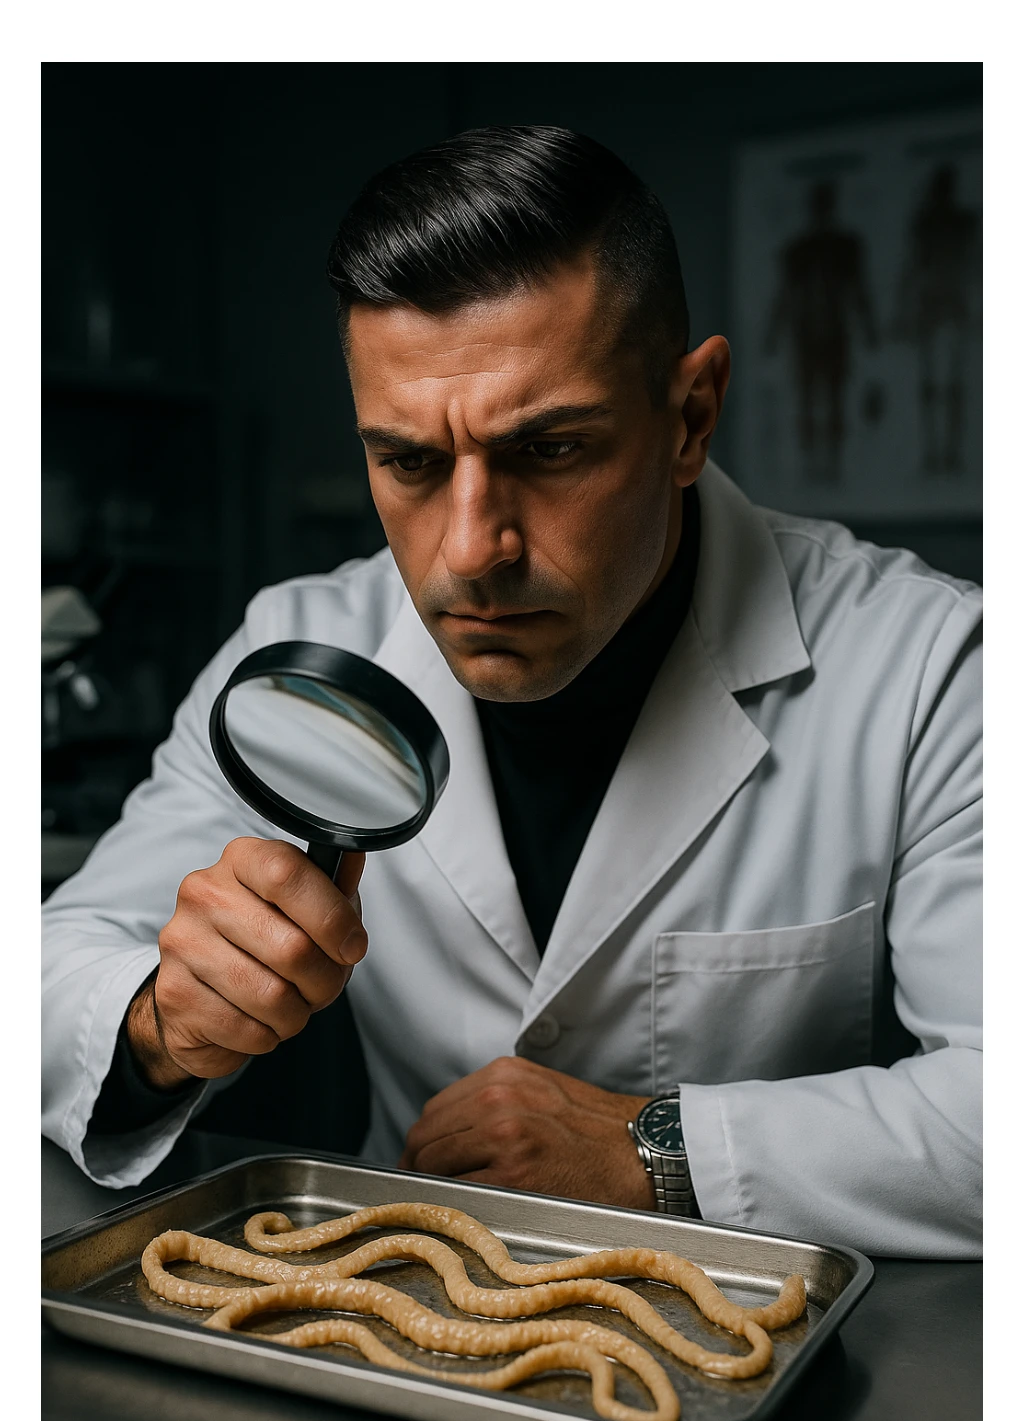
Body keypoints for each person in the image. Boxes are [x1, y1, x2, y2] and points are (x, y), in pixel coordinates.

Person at [41, 126, 981, 1258]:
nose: (472, 550)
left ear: (689, 417)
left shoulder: (932, 668)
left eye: (551, 452)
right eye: (410, 463)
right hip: (399, 1321)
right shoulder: (301, 641)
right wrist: (156, 1021)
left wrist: (659, 1148)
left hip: (763, 1358)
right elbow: (49, 972)